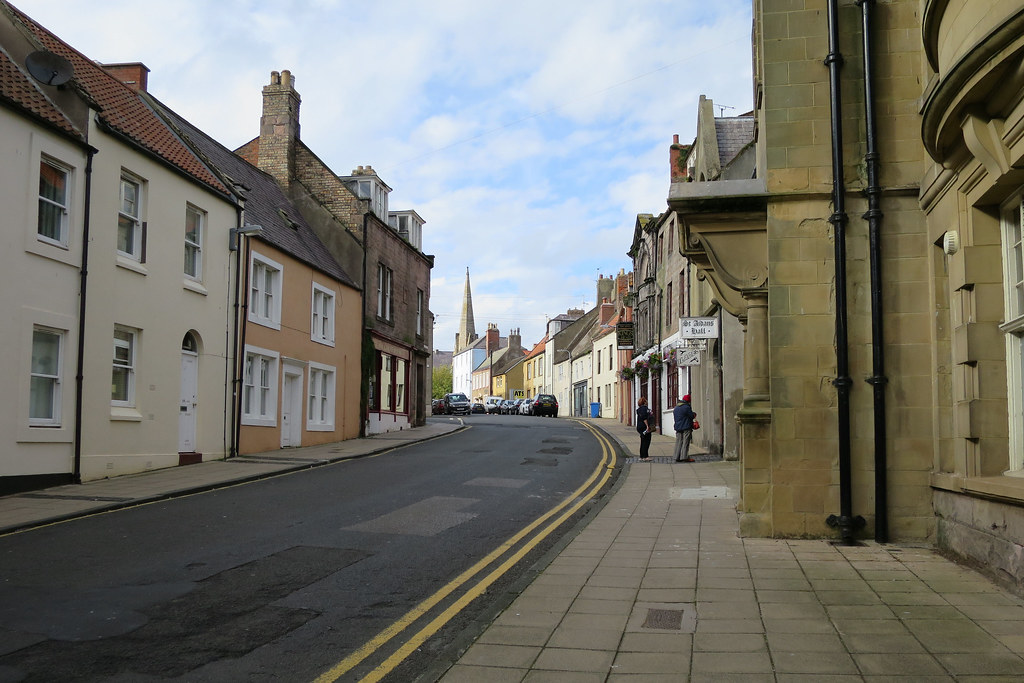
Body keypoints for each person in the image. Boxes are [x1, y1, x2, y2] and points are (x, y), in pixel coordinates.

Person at [673, 394, 697, 462]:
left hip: (678, 427)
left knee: (678, 442)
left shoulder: (676, 407)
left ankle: (676, 456)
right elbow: (691, 416)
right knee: (685, 442)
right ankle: (684, 457)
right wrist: (694, 414)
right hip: (686, 426)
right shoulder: (686, 407)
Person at [636, 397, 653, 462]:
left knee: (643, 441)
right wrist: (647, 426)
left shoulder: (639, 409)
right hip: (644, 427)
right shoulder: (645, 409)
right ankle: (645, 456)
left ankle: (641, 456)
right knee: (647, 441)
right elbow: (644, 418)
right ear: (645, 402)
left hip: (639, 427)